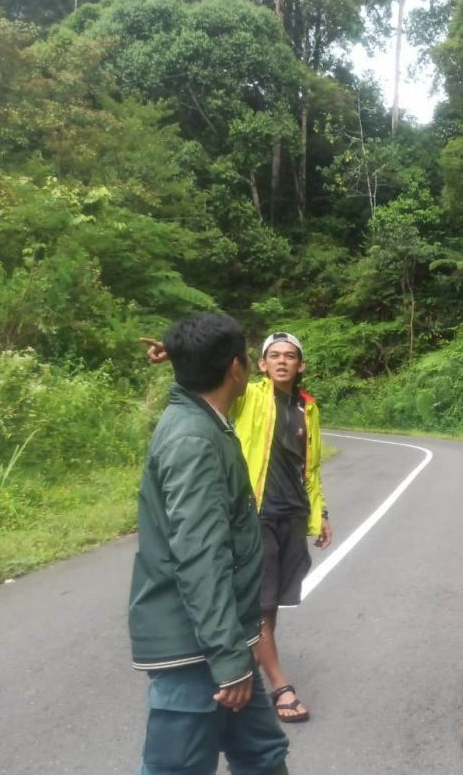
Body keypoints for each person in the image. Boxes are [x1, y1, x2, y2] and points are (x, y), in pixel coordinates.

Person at [141, 330, 332, 724]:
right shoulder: (250, 396)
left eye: (289, 356)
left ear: (301, 365)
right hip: (256, 513)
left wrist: (320, 514)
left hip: (292, 514)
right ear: (259, 365)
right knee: (258, 601)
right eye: (273, 355)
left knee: (272, 602)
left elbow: (309, 467)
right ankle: (277, 683)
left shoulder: (307, 408)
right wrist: (179, 353)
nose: (281, 361)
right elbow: (212, 378)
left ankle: (245, 662)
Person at [129, 312, 289, 775]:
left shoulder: (203, 419)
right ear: (237, 368)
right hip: (197, 649)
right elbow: (200, 555)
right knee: (176, 768)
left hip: (222, 641)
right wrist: (227, 660)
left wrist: (181, 352)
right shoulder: (193, 438)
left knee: (262, 755)